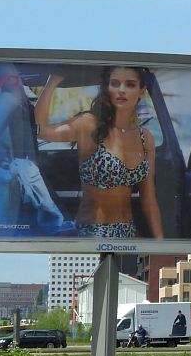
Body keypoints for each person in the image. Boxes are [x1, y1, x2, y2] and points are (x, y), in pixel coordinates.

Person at [34, 66, 163, 239]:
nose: (121, 90)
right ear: (107, 88)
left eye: (130, 84)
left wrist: (161, 244)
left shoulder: (145, 138)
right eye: (115, 83)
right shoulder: (88, 125)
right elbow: (41, 130)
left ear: (141, 91)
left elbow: (149, 200)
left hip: (128, 233)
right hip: (92, 232)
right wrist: (53, 80)